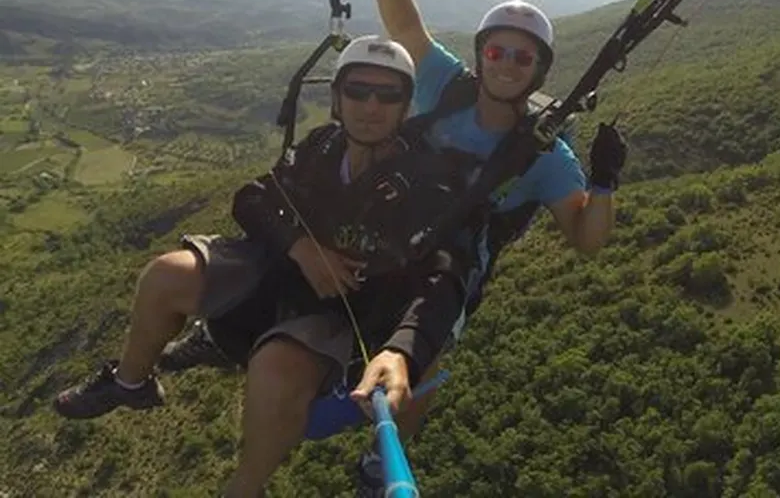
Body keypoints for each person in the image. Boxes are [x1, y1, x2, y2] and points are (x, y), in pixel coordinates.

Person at [53, 35, 479, 498]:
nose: (370, 106)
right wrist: (300, 246)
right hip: (280, 270)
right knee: (165, 275)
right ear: (337, 98)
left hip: (343, 310)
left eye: (387, 94)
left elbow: (444, 274)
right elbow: (254, 197)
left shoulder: (425, 182)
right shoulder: (323, 147)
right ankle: (130, 382)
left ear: (405, 106)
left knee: (274, 370)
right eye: (357, 91)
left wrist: (402, 351)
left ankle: (245, 487)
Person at [351, 0, 628, 495]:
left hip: (454, 259)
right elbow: (406, 30)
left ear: (538, 68)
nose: (505, 65)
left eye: (521, 57)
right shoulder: (447, 85)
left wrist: (603, 184)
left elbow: (587, 238)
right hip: (392, 218)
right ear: (480, 55)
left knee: (425, 361)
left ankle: (381, 463)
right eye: (497, 52)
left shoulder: (545, 153)